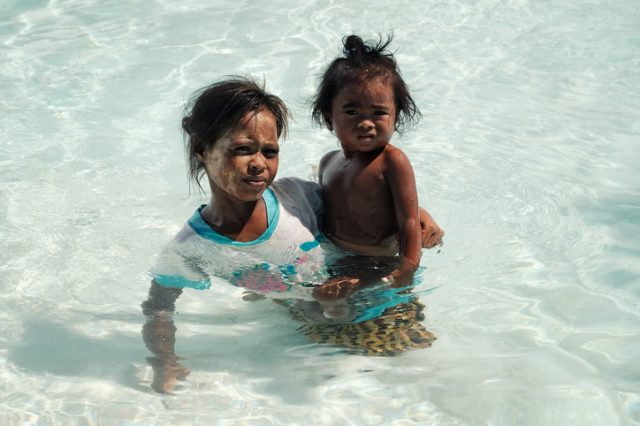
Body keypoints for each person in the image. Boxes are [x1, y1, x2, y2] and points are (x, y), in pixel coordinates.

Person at [142, 77, 443, 393]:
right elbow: (159, 305)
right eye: (242, 149)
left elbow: (360, 202)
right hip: (306, 320)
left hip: (373, 300)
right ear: (203, 149)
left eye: (270, 151)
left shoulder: (296, 199)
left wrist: (416, 214)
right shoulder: (193, 247)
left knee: (417, 376)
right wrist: (164, 362)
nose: (259, 164)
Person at [311, 34, 438, 285]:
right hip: (333, 257)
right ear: (328, 117)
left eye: (379, 112)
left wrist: (407, 270)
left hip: (378, 262)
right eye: (352, 111)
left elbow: (409, 221)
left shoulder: (392, 161)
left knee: (387, 319)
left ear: (396, 117)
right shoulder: (327, 163)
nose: (366, 122)